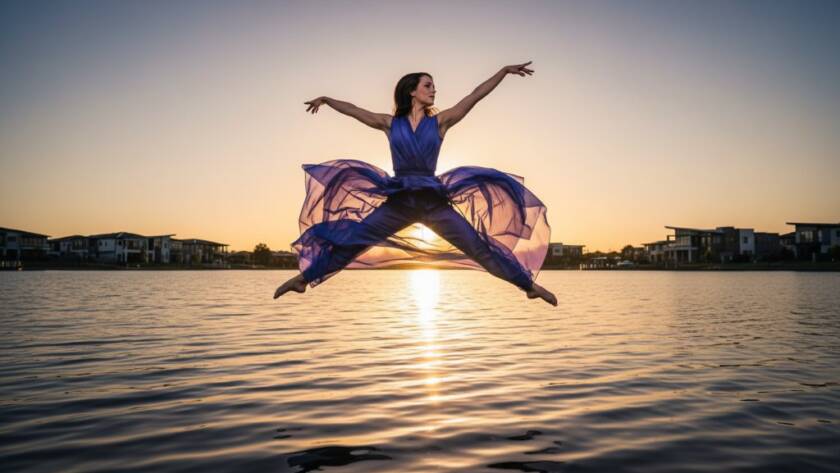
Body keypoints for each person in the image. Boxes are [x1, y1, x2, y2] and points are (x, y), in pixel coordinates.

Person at [274, 61, 557, 306]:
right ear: (412, 91)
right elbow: (354, 109)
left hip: (433, 202)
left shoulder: (442, 122)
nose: (434, 90)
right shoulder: (389, 124)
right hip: (399, 202)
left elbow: (475, 96)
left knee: (477, 247)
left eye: (434, 86)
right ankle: (303, 279)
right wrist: (326, 99)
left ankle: (528, 287)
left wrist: (503, 72)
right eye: (428, 85)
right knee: (352, 243)